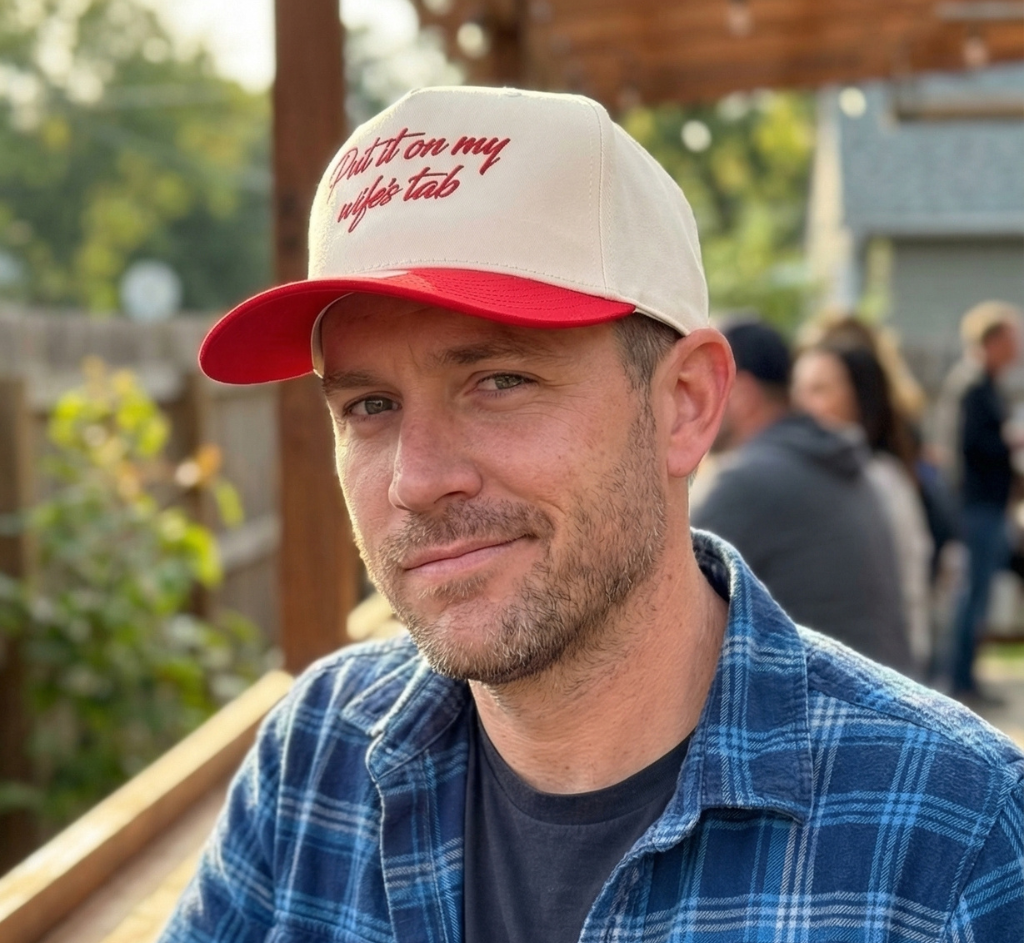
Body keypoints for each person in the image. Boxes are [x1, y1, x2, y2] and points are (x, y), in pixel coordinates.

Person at [160, 87, 1023, 943]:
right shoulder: (315, 756)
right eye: (369, 406)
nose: (415, 481)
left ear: (685, 404)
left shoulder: (952, 842)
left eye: (500, 381)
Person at [692, 320, 912, 673]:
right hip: (878, 691)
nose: (689, 405)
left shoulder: (749, 480)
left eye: (700, 387)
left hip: (821, 699)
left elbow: (662, 610)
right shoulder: (827, 459)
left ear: (743, 394)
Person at [791, 341, 934, 676]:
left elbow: (910, 586)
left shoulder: (881, 480)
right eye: (798, 388)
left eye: (819, 389)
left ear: (858, 397)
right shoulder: (786, 476)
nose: (801, 403)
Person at [947, 303, 1022, 705]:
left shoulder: (988, 386)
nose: (1018, 347)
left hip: (990, 506)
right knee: (972, 595)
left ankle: (967, 678)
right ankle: (959, 681)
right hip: (978, 507)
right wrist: (1010, 442)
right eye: (1011, 339)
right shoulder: (973, 387)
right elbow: (971, 447)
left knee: (979, 595)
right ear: (991, 342)